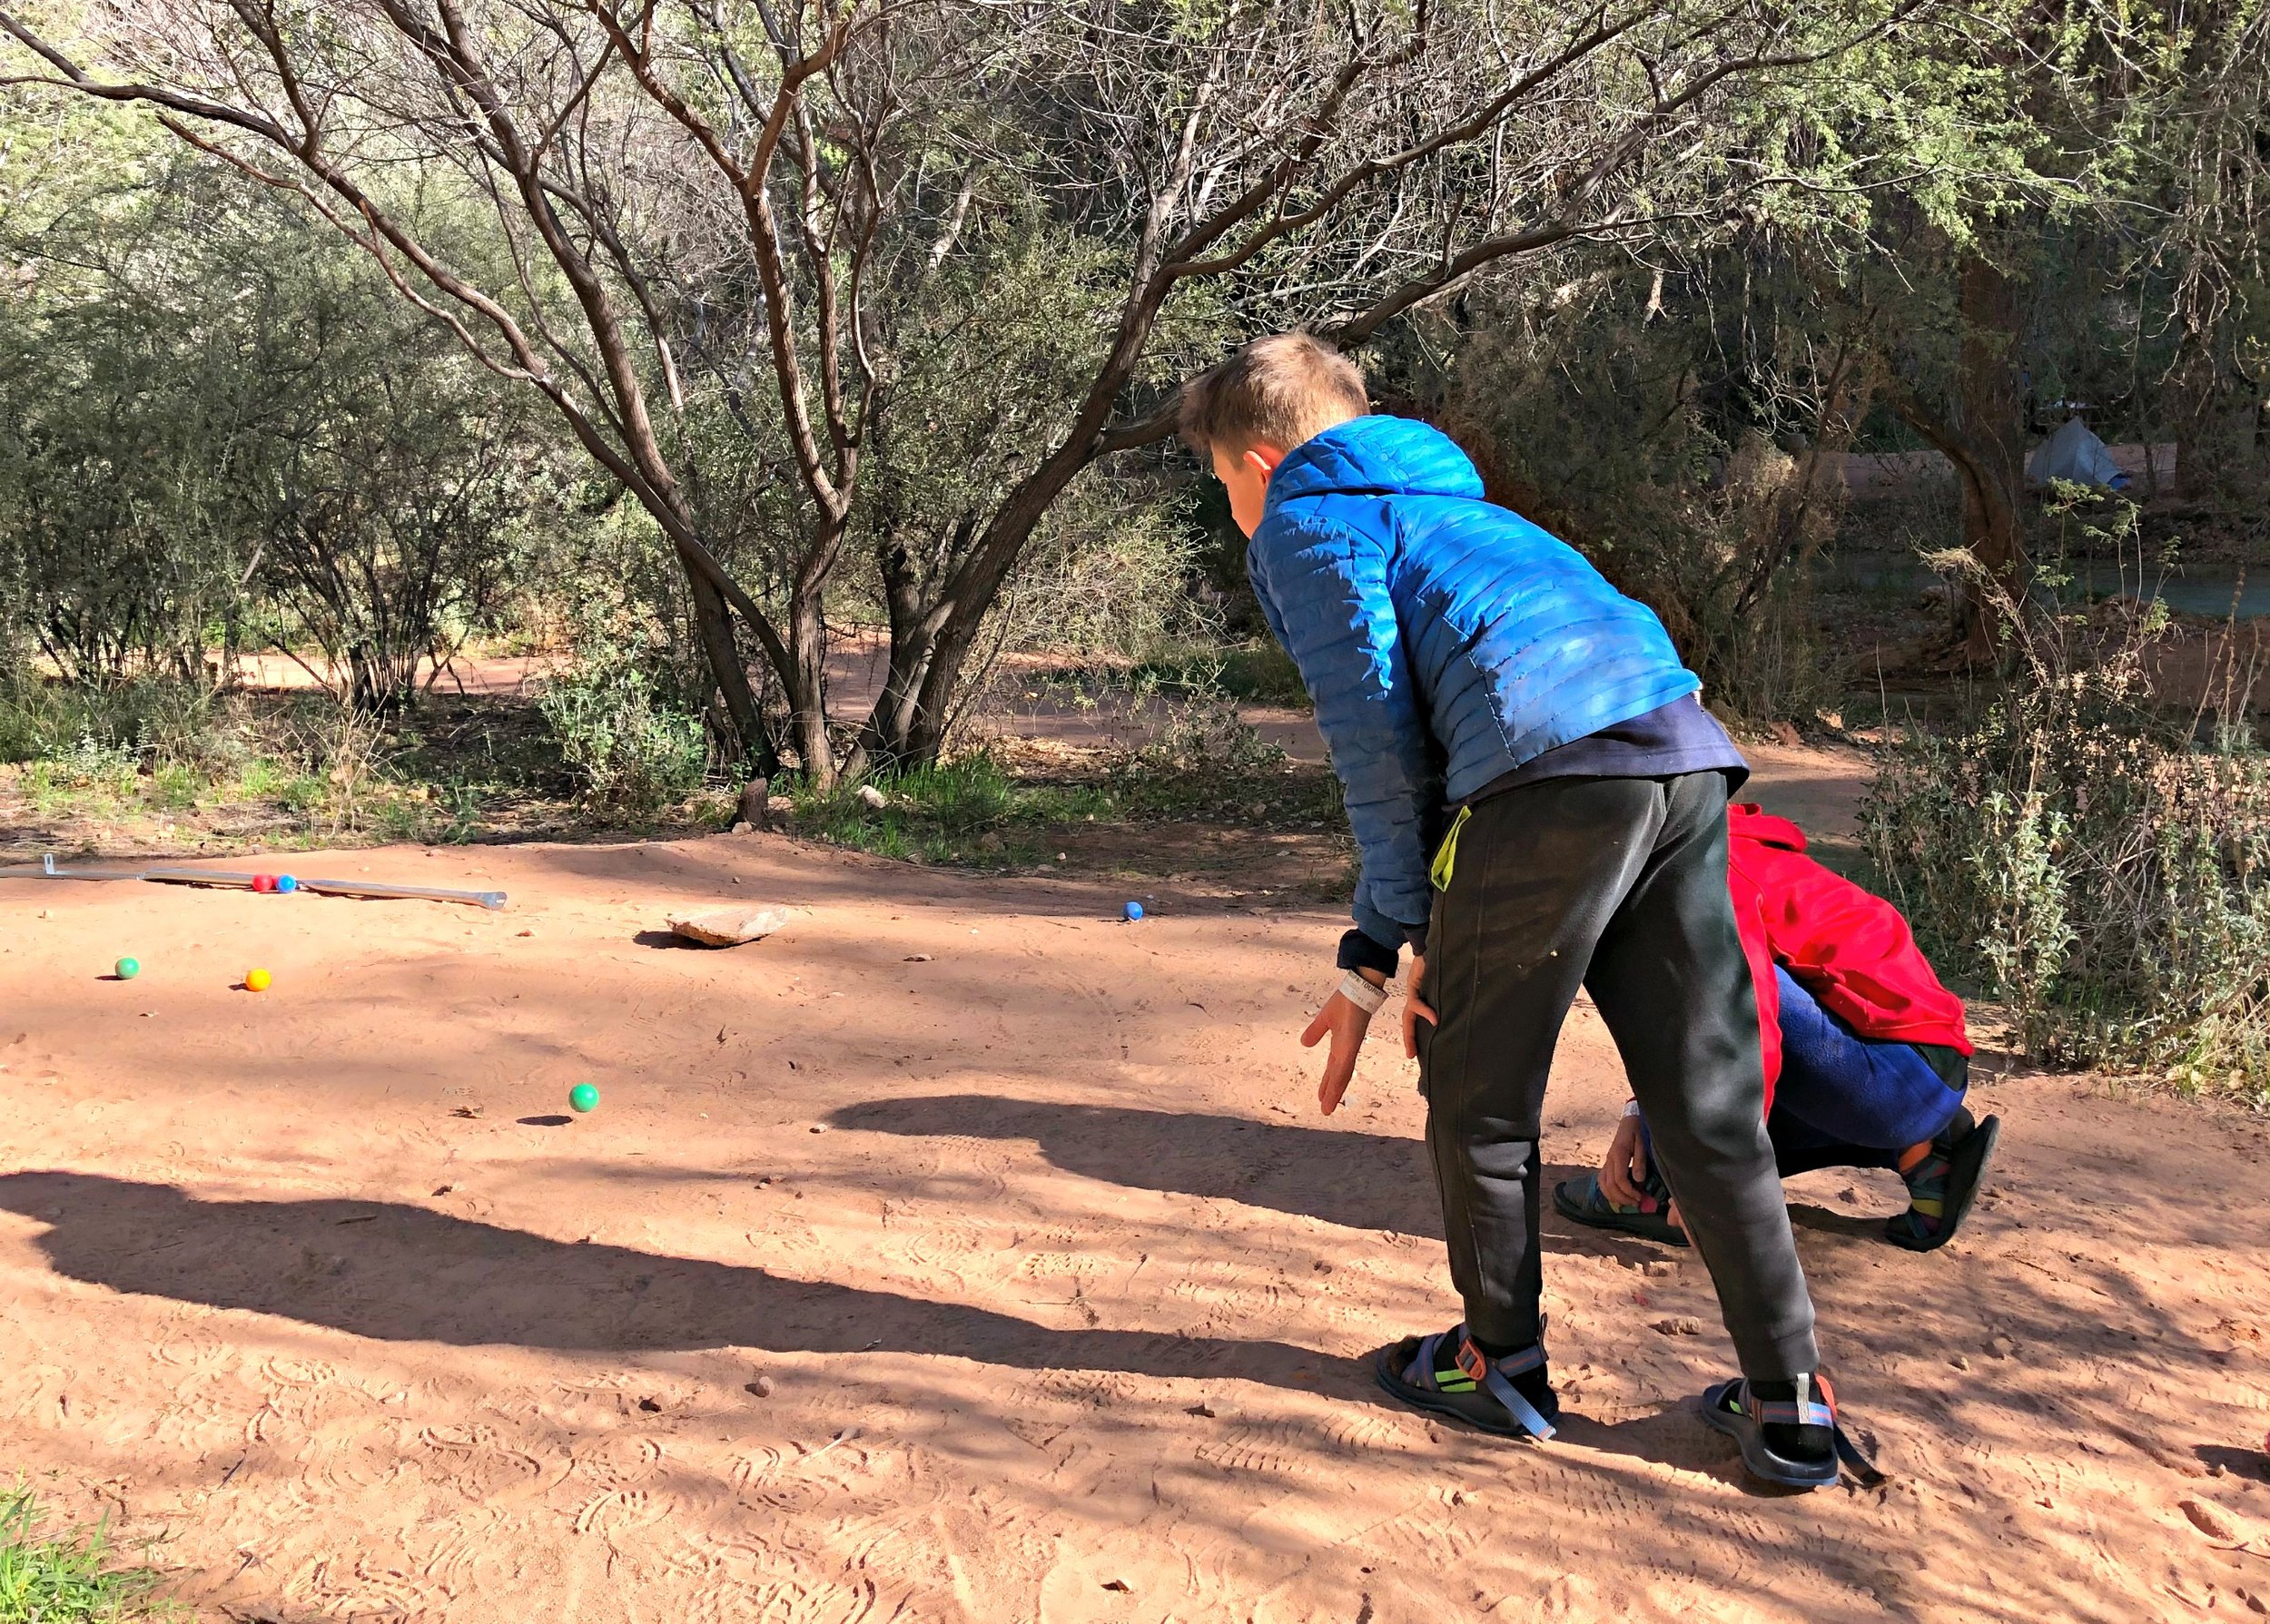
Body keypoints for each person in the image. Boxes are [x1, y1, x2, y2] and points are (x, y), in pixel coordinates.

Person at [1179, 333, 1874, 1491]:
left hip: (1549, 776)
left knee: (1473, 1087)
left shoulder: (1309, 521)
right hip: (1683, 756)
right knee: (1704, 1102)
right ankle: (1791, 1399)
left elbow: (1377, 752)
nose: (1234, 509)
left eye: (1222, 487)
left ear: (1261, 460)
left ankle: (1496, 1361)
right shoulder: (1467, 509)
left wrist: (1374, 950)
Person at [1556, 804, 2001, 1252]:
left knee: (1698, 990)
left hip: (1897, 1080)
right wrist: (1640, 1111)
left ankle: (1652, 1185)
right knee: (1693, 1001)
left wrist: (1716, 1178)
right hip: (1926, 1074)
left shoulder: (1703, 871)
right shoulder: (1713, 843)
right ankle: (1925, 1152)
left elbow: (1744, 1013)